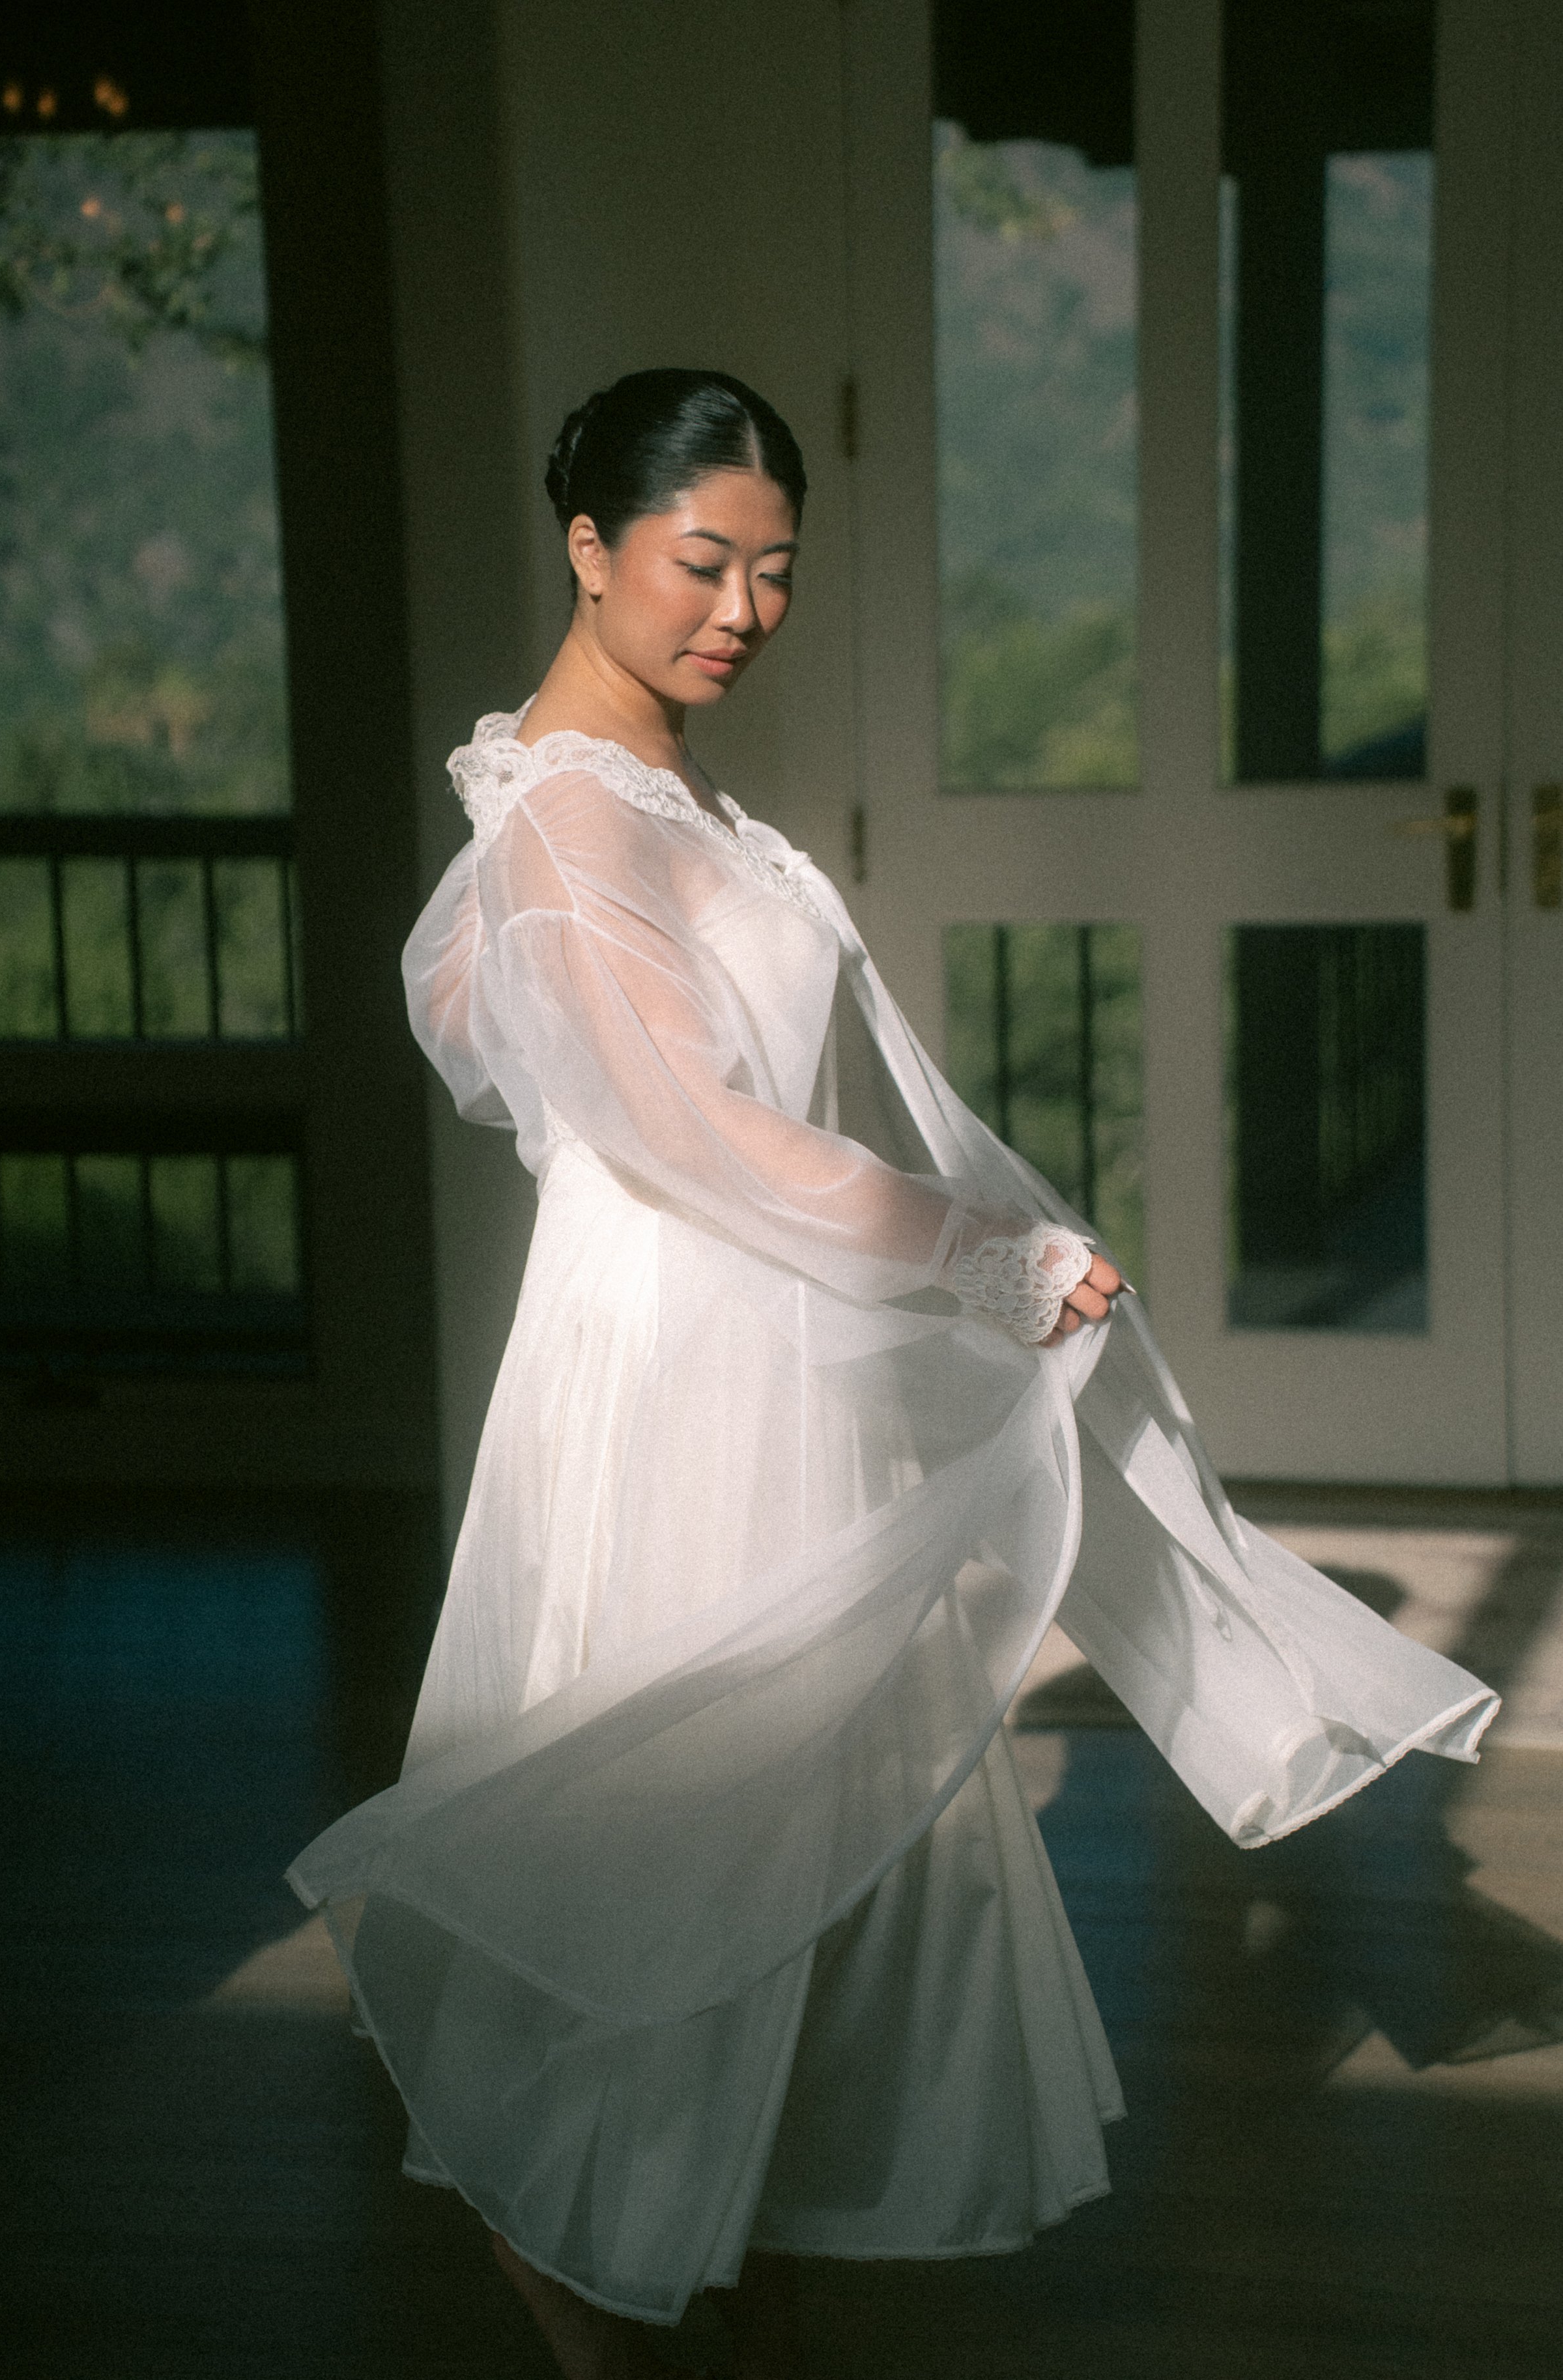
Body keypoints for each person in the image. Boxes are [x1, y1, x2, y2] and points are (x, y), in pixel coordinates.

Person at [289, 370, 1498, 2380]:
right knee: (668, 1847)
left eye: (775, 571)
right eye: (700, 563)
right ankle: (612, 2321)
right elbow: (685, 1129)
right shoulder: (572, 820)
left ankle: (705, 2273)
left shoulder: (659, 798)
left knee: (781, 1860)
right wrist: (989, 1263)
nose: (742, 611)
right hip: (680, 1372)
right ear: (584, 548)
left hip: (766, 1360)